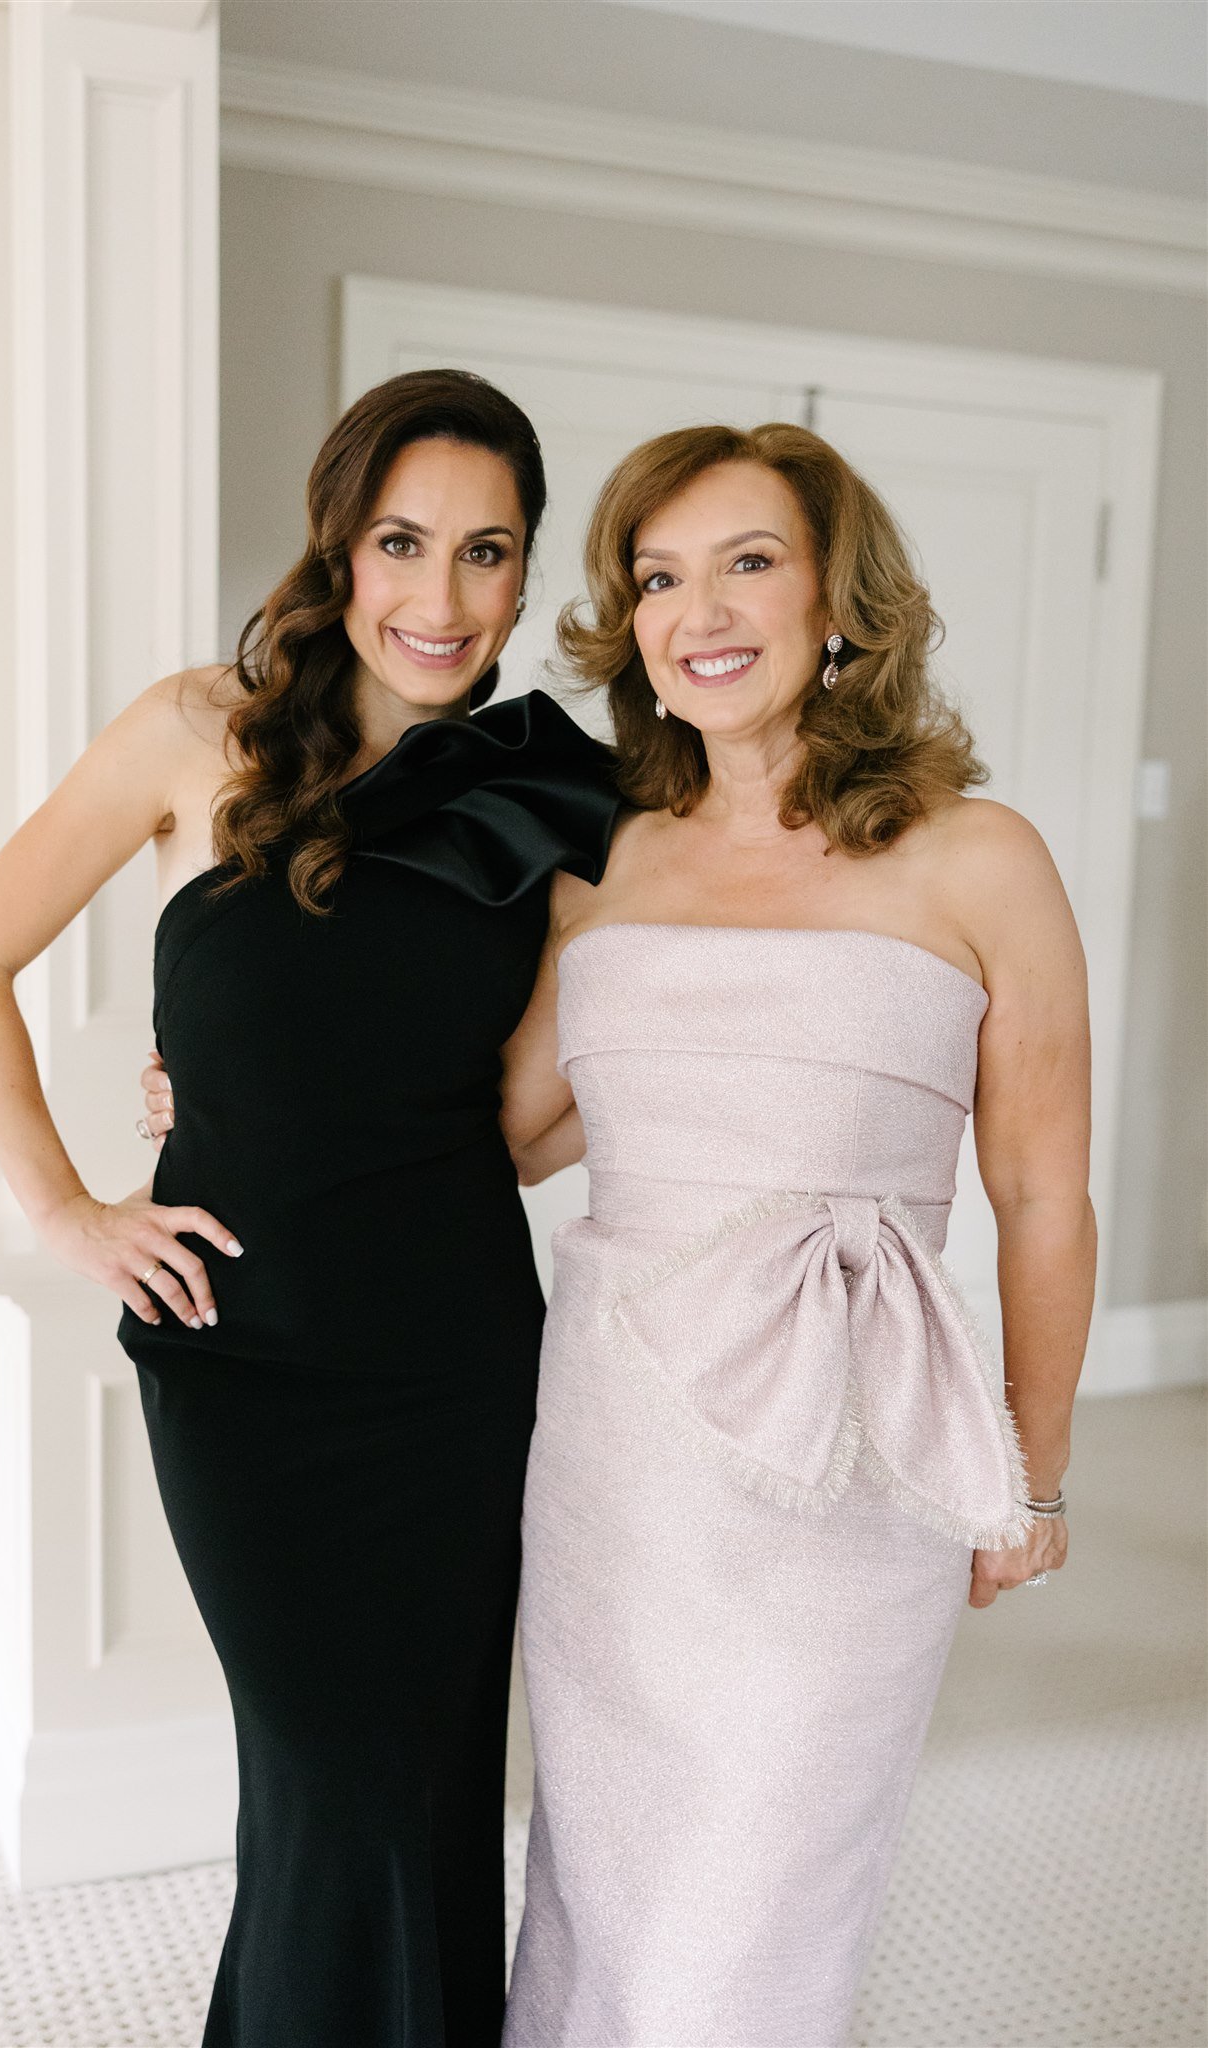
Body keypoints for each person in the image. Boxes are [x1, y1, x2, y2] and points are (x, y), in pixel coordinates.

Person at [0, 369, 618, 2048]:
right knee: (329, 1784)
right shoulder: (194, 732)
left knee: (426, 1790)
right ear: (341, 545)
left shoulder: (559, 799)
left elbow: (528, 1129)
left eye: (486, 551)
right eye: (402, 542)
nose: (440, 598)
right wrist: (75, 1209)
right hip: (242, 1363)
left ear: (527, 579)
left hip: (452, 1365)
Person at [493, 423, 1094, 2048]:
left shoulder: (983, 855)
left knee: (769, 1890)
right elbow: (512, 1131)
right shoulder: (600, 854)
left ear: (839, 594)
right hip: (621, 1456)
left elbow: (1044, 1193)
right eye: (660, 575)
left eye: (749, 560)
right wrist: (234, 1063)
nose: (702, 611)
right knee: (603, 1873)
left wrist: (1028, 1478)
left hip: (848, 1449)